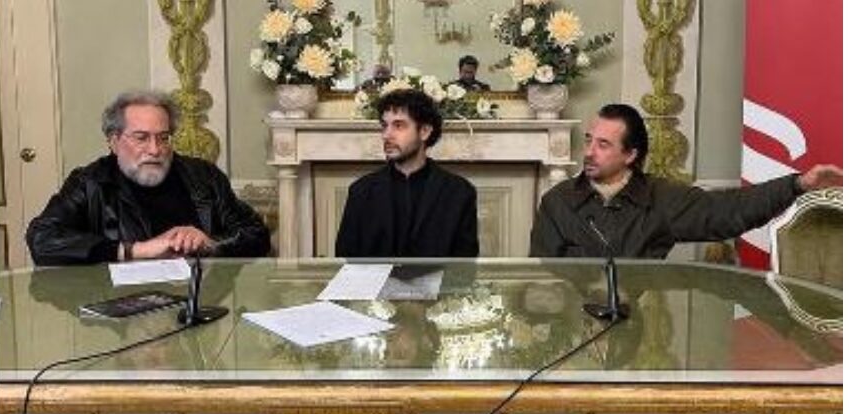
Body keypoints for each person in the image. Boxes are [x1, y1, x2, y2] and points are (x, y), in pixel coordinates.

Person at [530, 103, 842, 258]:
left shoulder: (660, 198)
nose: (589, 152)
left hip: (635, 328)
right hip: (572, 330)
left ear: (630, 155)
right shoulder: (558, 201)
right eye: (589, 140)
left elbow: (729, 210)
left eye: (603, 145)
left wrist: (798, 184)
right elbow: (541, 281)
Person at [26, 90, 271, 265]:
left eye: (163, 138)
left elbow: (257, 234)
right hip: (122, 307)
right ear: (114, 141)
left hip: (199, 301)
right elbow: (41, 239)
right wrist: (137, 250)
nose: (155, 149)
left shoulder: (204, 177)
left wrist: (210, 243)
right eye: (141, 138)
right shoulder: (89, 183)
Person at [335, 89, 479, 257]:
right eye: (384, 126)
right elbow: (345, 259)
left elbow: (464, 264)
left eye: (398, 126)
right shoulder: (361, 191)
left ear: (424, 131)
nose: (386, 135)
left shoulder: (459, 192)